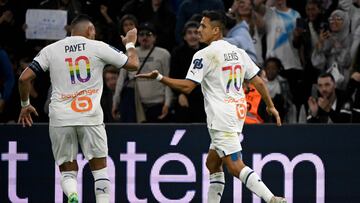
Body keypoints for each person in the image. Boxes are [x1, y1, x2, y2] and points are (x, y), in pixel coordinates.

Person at [136, 10, 286, 203]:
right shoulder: (237, 51)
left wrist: (159, 77)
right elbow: (258, 82)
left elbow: (188, 87)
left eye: (203, 26)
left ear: (216, 30)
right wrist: (270, 106)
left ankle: (272, 199)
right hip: (236, 112)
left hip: (221, 117)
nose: (199, 30)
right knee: (212, 164)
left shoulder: (204, 55)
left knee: (234, 166)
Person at [17, 14, 139, 203]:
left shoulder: (51, 50)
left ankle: (73, 195)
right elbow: (133, 65)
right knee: (100, 171)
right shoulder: (98, 46)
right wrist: (130, 44)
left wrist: (25, 105)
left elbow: (24, 78)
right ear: (90, 30)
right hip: (90, 116)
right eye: (94, 31)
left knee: (68, 172)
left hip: (60, 118)